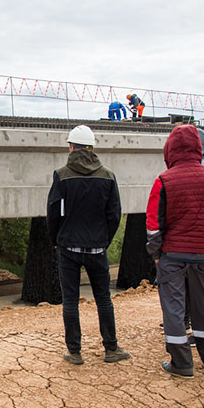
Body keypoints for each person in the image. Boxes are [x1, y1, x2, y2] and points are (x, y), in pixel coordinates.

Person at [146, 125, 204, 378]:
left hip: (172, 255)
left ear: (170, 149)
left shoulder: (163, 180)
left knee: (173, 307)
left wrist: (157, 254)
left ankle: (182, 363)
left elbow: (153, 225)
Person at [47, 125, 130, 365]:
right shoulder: (108, 176)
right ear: (92, 148)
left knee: (70, 301)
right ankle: (111, 348)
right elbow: (114, 214)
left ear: (71, 147)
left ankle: (74, 352)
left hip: (68, 248)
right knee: (103, 298)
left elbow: (53, 212)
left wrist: (56, 240)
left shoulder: (61, 175)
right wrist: (104, 240)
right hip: (96, 248)